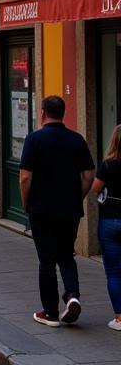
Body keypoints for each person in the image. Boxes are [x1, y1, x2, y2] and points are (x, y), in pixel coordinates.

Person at [20, 95, 95, 328]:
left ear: (42, 113)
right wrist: (77, 197)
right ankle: (72, 295)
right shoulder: (76, 140)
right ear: (63, 113)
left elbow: (25, 177)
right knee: (65, 255)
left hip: (41, 209)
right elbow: (88, 175)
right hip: (69, 210)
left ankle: (50, 313)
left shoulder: (34, 140)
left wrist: (26, 203)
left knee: (46, 260)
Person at [92, 123, 121, 331]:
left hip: (110, 221)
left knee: (113, 271)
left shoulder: (108, 165)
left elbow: (95, 189)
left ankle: (119, 318)